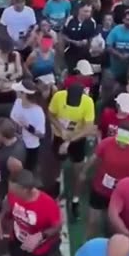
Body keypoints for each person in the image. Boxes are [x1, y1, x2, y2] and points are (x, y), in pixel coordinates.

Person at [0, 169, 63, 256]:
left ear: (25, 190)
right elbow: (7, 203)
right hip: (16, 238)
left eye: (13, 190)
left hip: (38, 247)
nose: (11, 192)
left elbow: (57, 226)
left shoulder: (48, 204)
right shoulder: (13, 194)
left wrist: (40, 235)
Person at [90, 126, 129, 239]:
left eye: (125, 142)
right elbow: (95, 160)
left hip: (121, 194)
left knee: (113, 226)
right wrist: (84, 173)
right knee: (93, 220)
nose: (121, 145)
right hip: (100, 188)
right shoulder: (106, 143)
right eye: (119, 141)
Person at [48, 83, 96, 217]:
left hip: (78, 140)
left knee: (79, 171)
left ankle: (75, 199)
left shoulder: (88, 103)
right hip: (60, 136)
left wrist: (69, 141)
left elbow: (88, 128)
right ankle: (56, 183)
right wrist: (61, 129)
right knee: (56, 162)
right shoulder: (58, 97)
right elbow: (51, 114)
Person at [9, 80, 48, 172]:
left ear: (24, 94)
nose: (16, 92)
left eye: (18, 91)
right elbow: (13, 117)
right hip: (15, 142)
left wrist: (27, 126)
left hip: (29, 147)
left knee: (26, 172)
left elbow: (41, 134)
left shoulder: (38, 112)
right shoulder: (18, 102)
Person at [104, 7, 129, 84]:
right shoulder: (116, 30)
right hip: (114, 68)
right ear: (123, 20)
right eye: (128, 19)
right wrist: (119, 55)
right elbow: (108, 47)